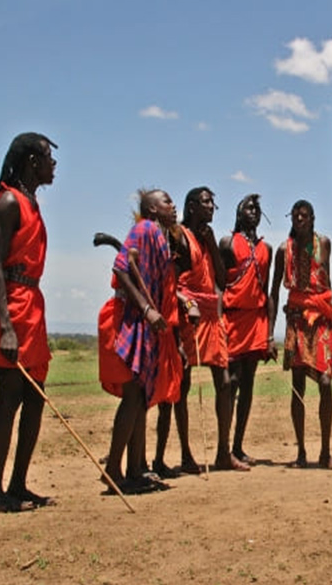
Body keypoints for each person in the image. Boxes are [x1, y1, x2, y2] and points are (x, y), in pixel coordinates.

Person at [0, 132, 58, 513]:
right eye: (47, 157)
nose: (53, 165)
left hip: (32, 304)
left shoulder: (31, 203)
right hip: (10, 304)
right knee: (9, 396)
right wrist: (7, 326)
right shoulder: (10, 201)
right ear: (31, 161)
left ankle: (18, 484)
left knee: (35, 397)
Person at [153, 187, 249, 475]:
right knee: (182, 384)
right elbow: (172, 278)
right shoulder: (178, 235)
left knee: (226, 380)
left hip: (211, 314)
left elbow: (221, 279)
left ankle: (223, 452)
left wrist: (211, 245)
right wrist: (185, 305)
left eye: (213, 202)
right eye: (207, 202)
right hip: (188, 313)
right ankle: (186, 454)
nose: (212, 207)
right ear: (192, 206)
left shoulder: (207, 238)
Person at [98, 189, 182, 493]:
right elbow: (122, 269)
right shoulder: (144, 229)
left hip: (148, 323)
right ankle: (112, 471)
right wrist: (147, 310)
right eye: (167, 202)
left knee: (142, 398)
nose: (173, 206)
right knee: (133, 396)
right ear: (152, 209)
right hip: (133, 320)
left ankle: (134, 470)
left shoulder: (158, 235)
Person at [270, 200, 332, 470]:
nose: (300, 219)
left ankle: (325, 452)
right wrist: (269, 333)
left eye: (305, 215)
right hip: (297, 319)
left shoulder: (324, 243)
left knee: (325, 381)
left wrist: (328, 312)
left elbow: (327, 280)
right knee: (297, 385)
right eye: (296, 215)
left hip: (321, 319)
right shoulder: (282, 250)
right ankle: (301, 452)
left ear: (312, 218)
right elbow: (275, 293)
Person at [219, 194, 277, 465]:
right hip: (232, 318)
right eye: (248, 208)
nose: (253, 212)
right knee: (230, 383)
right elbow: (220, 286)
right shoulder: (227, 243)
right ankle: (224, 448)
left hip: (256, 319)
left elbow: (266, 291)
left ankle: (238, 446)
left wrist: (269, 334)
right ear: (239, 213)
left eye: (256, 209)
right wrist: (218, 321)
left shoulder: (267, 249)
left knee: (249, 384)